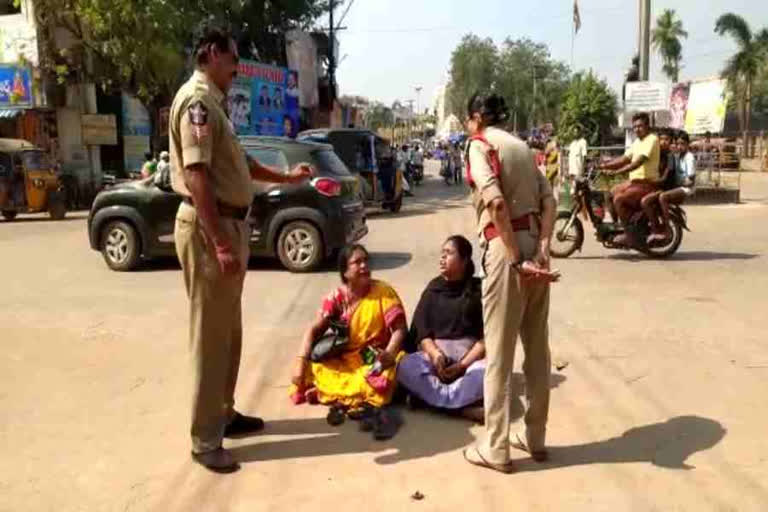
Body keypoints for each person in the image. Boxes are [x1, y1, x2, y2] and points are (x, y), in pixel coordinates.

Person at [169, 26, 313, 473]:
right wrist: (218, 243)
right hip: (210, 230)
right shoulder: (197, 102)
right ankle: (204, 439)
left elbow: (240, 163)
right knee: (211, 338)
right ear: (211, 54)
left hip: (231, 226)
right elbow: (196, 177)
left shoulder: (215, 103)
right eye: (232, 60)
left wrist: (287, 178)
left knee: (229, 333)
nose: (236, 69)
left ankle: (224, 414)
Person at [462, 92, 558, 474]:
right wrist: (544, 248)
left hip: (508, 250)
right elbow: (550, 201)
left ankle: (496, 446)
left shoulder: (480, 145)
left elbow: (496, 204)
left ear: (475, 119)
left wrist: (517, 258)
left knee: (499, 354)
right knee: (537, 350)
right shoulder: (522, 148)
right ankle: (534, 437)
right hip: (536, 245)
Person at [291, 245, 407, 439]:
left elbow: (400, 330)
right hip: (346, 359)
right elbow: (314, 329)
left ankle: (365, 406)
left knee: (383, 375)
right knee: (314, 370)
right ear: (345, 272)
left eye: (366, 261)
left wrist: (388, 355)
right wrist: (301, 361)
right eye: (357, 262)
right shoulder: (336, 297)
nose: (364, 266)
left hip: (376, 357)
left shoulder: (383, 292)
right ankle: (362, 404)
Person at [398, 235, 485, 423]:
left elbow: (486, 338)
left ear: (464, 260)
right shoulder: (433, 289)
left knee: (488, 374)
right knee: (405, 367)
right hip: (436, 361)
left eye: (449, 253)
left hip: (469, 362)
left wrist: (463, 365)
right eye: (442, 253)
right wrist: (436, 355)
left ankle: (429, 402)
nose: (442, 258)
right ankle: (461, 410)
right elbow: (422, 333)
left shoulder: (478, 291)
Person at [598, 112, 660, 246]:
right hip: (634, 183)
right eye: (635, 127)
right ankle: (617, 227)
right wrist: (603, 165)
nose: (637, 129)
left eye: (640, 126)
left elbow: (637, 163)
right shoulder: (637, 142)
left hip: (647, 184)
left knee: (619, 199)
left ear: (647, 126)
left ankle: (630, 235)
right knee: (609, 194)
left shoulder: (652, 139)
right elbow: (624, 159)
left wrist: (616, 172)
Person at [647, 132, 696, 243]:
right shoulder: (678, 156)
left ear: (688, 144)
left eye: (682, 144)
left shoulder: (689, 158)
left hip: (686, 189)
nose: (679, 146)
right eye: (677, 144)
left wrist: (678, 185)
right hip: (680, 186)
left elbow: (690, 181)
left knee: (663, 197)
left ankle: (666, 228)